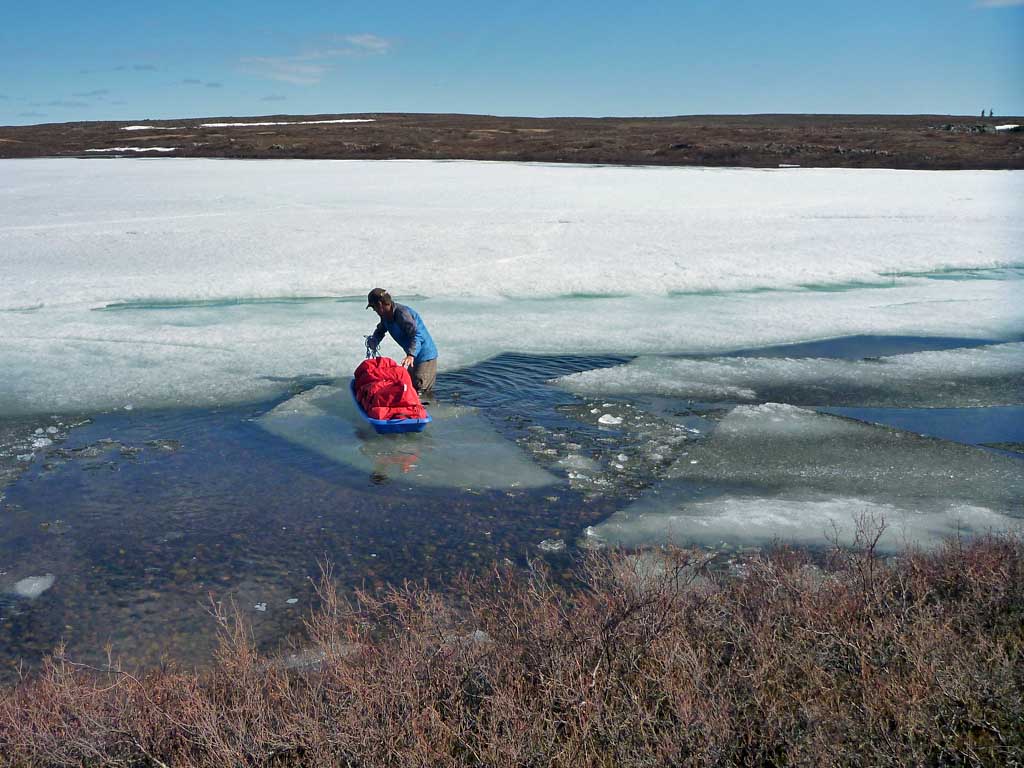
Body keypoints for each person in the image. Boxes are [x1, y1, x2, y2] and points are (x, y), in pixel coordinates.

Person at [365, 288, 438, 394]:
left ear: (380, 304)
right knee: (409, 388)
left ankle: (429, 409)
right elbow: (381, 329)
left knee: (420, 392)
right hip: (413, 358)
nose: (374, 311)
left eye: (374, 307)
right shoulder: (385, 316)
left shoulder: (402, 314)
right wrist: (374, 340)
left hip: (425, 357)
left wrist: (411, 355)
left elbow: (417, 335)